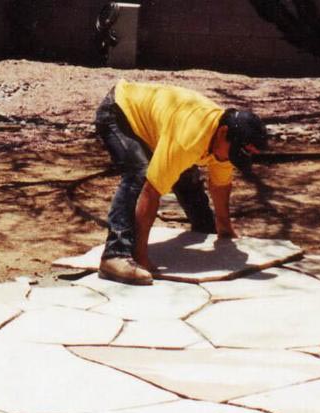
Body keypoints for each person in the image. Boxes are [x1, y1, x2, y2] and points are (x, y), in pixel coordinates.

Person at [94, 80, 268, 285]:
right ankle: (115, 255)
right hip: (120, 110)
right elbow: (151, 191)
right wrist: (141, 257)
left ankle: (205, 228)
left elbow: (220, 185)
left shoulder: (225, 143)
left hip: (160, 125)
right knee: (139, 173)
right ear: (222, 133)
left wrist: (225, 229)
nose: (231, 160)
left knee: (186, 176)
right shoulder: (189, 139)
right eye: (233, 154)